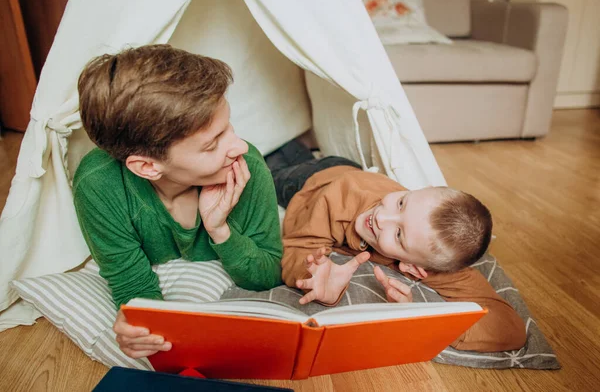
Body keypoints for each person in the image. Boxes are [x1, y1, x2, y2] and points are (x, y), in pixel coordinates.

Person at [73, 45, 283, 359]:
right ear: (147, 167)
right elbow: (132, 286)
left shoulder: (246, 165)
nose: (239, 145)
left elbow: (269, 274)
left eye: (229, 127)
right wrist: (141, 327)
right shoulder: (99, 184)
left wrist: (220, 231)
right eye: (213, 143)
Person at [265, 140, 526, 352]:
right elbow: (300, 241)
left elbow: (509, 328)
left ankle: (298, 145)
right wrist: (311, 274)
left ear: (414, 268)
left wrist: (424, 322)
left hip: (347, 170)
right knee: (267, 171)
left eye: (399, 235)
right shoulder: (341, 198)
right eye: (402, 203)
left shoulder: (435, 256)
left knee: (296, 150)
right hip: (313, 181)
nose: (381, 216)